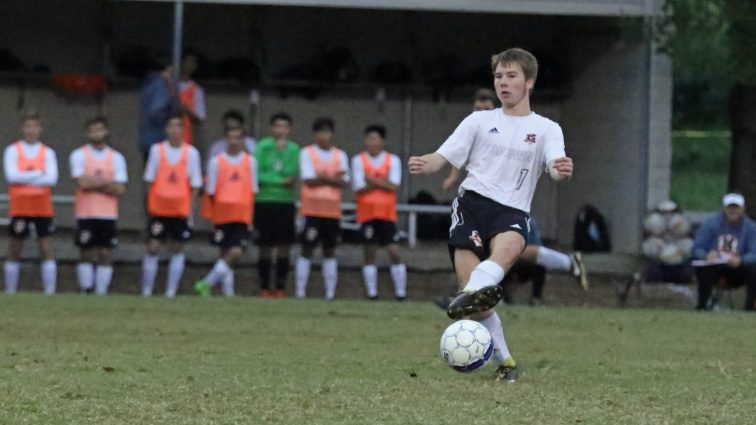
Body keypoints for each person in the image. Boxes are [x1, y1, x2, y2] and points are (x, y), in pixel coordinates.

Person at [408, 48, 574, 382]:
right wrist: (427, 163)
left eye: (511, 76)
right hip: (471, 205)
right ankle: (506, 363)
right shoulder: (478, 121)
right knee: (478, 302)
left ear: (529, 82)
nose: (503, 82)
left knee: (510, 248)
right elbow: (444, 155)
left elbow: (555, 166)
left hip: (512, 210)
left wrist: (560, 170)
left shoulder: (546, 128)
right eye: (498, 76)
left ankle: (471, 293)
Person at [141, 114, 203, 298]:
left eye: (178, 126)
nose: (175, 130)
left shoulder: (191, 153)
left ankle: (170, 292)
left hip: (179, 210)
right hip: (159, 209)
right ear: (166, 129)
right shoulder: (156, 150)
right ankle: (146, 290)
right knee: (153, 246)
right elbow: (149, 179)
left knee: (177, 247)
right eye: (171, 126)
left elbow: (195, 184)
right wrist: (150, 204)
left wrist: (189, 208)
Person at [194, 126, 258, 297]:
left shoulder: (250, 161)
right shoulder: (217, 161)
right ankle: (227, 292)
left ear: (242, 140)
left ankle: (206, 282)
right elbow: (211, 190)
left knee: (236, 251)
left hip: (242, 214)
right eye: (230, 137)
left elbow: (253, 188)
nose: (234, 141)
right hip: (223, 214)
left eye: (237, 138)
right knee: (224, 252)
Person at [69, 117, 128, 295]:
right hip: (85, 212)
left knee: (105, 252)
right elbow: (81, 183)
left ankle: (101, 291)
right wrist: (106, 184)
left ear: (106, 132)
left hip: (108, 213)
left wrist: (94, 183)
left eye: (100, 130)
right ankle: (85, 288)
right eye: (93, 130)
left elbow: (120, 188)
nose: (97, 134)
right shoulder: (79, 155)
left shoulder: (116, 157)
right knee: (85, 251)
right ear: (88, 133)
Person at [3, 113, 58, 295]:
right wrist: (38, 174)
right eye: (27, 126)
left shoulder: (48, 152)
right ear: (22, 128)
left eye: (34, 126)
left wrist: (25, 178)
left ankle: (49, 291)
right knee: (15, 246)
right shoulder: (13, 151)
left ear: (40, 129)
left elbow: (51, 179)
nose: (31, 130)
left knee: (45, 246)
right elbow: (12, 176)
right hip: (20, 205)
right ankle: (11, 290)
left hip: (42, 206)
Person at [295, 117, 350, 300]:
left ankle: (330, 293)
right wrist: (333, 177)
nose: (324, 136)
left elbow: (345, 182)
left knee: (329, 249)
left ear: (332, 134)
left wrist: (323, 177)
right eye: (320, 132)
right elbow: (309, 180)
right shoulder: (307, 152)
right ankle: (300, 291)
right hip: (311, 209)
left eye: (327, 132)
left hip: (332, 211)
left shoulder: (340, 155)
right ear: (315, 134)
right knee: (307, 248)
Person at [351, 124, 407, 300]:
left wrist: (372, 181)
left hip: (387, 214)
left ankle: (400, 293)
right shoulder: (358, 160)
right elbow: (359, 187)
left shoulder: (393, 160)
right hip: (367, 213)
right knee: (369, 252)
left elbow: (394, 186)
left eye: (375, 138)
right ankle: (372, 294)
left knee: (394, 251)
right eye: (369, 138)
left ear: (382, 141)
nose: (372, 142)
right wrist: (381, 182)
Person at [254, 112, 300, 298]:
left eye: (284, 126)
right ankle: (264, 286)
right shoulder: (262, 146)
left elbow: (291, 173)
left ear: (289, 129)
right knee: (265, 245)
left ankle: (280, 286)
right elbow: (256, 174)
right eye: (277, 126)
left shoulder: (294, 149)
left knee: (284, 244)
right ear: (272, 128)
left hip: (285, 202)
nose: (281, 130)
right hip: (264, 200)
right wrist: (279, 181)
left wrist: (272, 179)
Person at [500, 218, 587, 306]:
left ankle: (569, 263)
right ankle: (569, 262)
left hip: (517, 265)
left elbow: (533, 247)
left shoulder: (524, 221)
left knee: (533, 264)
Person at [692, 193, 756, 311]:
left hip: (738, 267)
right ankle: (702, 306)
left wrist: (741, 260)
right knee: (705, 270)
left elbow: (754, 252)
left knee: (753, 270)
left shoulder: (751, 228)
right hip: (714, 265)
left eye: (736, 208)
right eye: (730, 207)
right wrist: (707, 255)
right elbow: (697, 248)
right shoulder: (710, 224)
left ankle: (750, 308)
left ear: (742, 209)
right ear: (724, 208)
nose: (733, 211)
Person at [441, 88, 498, 191]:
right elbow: (460, 153)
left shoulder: (503, 129)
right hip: (478, 186)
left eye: (486, 109)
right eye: (478, 109)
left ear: (495, 109)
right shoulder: (470, 129)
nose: (482, 113)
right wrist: (453, 176)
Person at [139, 57, 175, 164]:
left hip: (146, 139)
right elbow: (157, 109)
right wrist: (171, 114)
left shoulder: (147, 83)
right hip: (158, 139)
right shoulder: (160, 84)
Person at [179, 51, 207, 145]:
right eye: (187, 61)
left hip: (186, 139)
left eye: (192, 62)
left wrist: (187, 111)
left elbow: (200, 118)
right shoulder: (169, 85)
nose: (189, 65)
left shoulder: (197, 90)